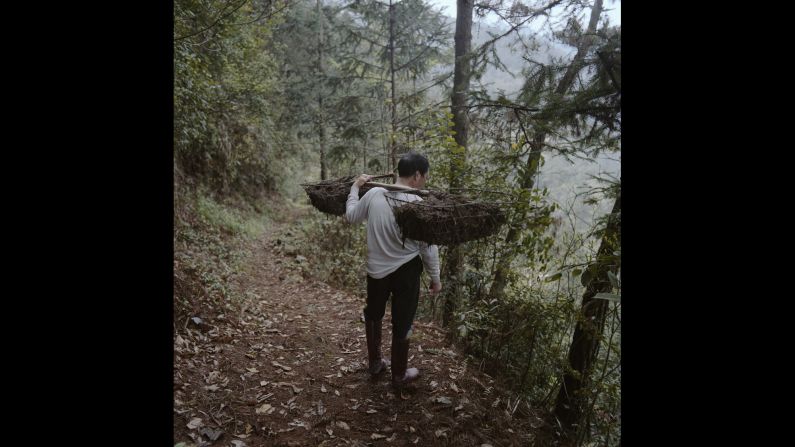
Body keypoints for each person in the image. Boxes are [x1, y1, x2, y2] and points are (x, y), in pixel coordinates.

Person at [344, 152, 442, 388]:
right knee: (403, 320)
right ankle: (399, 375)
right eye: (425, 176)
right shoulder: (418, 204)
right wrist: (435, 278)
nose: (425, 180)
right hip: (406, 272)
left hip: (376, 271)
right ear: (417, 175)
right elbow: (428, 247)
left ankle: (375, 363)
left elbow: (350, 216)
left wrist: (355, 189)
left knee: (374, 313)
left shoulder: (374, 194)